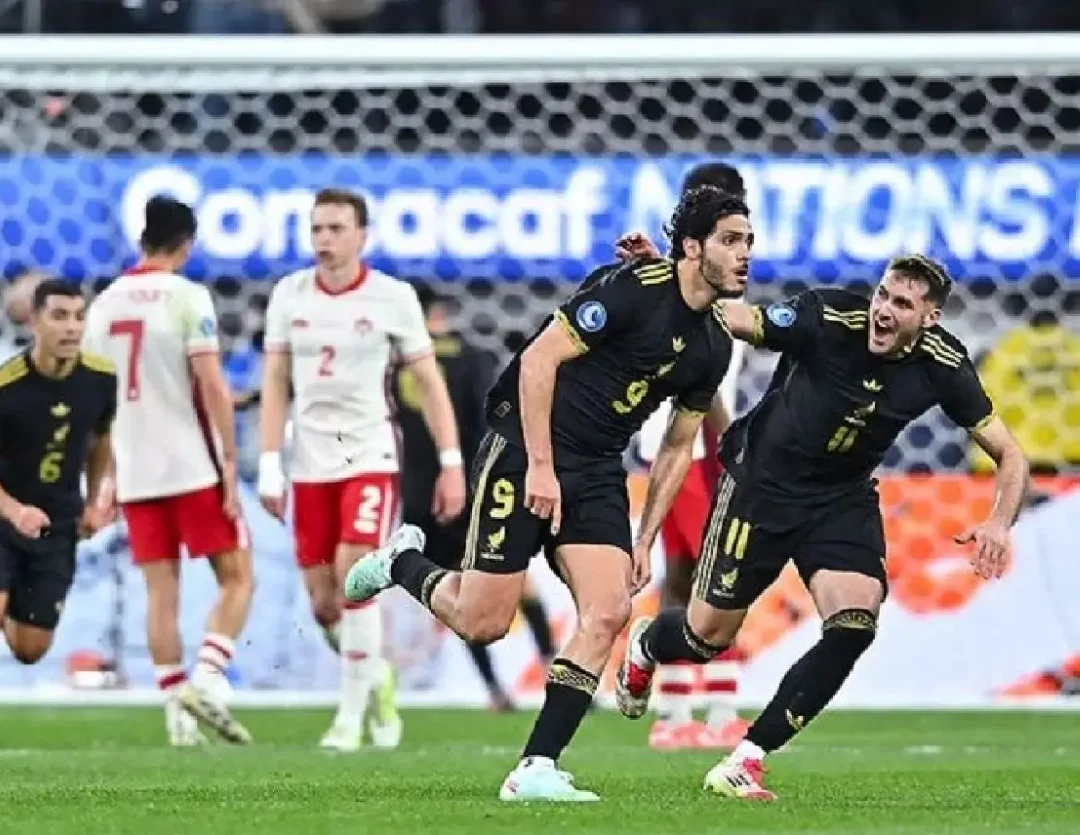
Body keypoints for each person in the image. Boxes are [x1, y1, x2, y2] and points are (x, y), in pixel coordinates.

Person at [345, 185, 748, 801]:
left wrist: (644, 539)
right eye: (730, 240)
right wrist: (538, 467)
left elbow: (677, 446)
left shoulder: (714, 343)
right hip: (523, 449)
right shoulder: (630, 289)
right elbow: (538, 362)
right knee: (483, 623)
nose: (745, 254)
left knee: (610, 609)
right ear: (693, 248)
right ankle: (402, 561)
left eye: (747, 241)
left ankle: (535, 766)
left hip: (595, 469)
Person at [613, 254, 1032, 800]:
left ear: (929, 319)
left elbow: (1010, 455)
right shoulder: (829, 316)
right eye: (883, 294)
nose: (883, 310)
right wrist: (676, 283)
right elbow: (744, 320)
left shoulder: (944, 363)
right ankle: (648, 643)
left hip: (840, 498)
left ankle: (747, 758)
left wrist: (1000, 522)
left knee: (855, 621)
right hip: (760, 488)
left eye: (902, 304)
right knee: (704, 637)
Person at [257, 188, 467, 752]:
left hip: (368, 454)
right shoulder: (288, 295)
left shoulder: (391, 297)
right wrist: (270, 463)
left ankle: (349, 718)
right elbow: (275, 382)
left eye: (336, 229)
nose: (325, 240)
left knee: (356, 575)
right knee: (324, 603)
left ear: (361, 236)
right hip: (309, 460)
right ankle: (376, 677)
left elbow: (429, 382)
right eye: (317, 229)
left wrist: (452, 463)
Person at [83, 197, 255, 747]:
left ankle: (177, 717)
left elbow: (97, 405)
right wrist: (230, 463)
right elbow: (210, 385)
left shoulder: (104, 304)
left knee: (162, 593)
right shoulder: (187, 297)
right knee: (238, 576)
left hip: (135, 470)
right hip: (190, 462)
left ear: (141, 240)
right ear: (187, 242)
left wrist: (104, 481)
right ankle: (206, 678)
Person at [0, 280, 117, 753]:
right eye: (59, 316)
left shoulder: (101, 378)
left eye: (77, 317)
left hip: (58, 522)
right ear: (35, 321)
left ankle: (1, 598)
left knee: (30, 649)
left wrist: (95, 499)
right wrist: (13, 511)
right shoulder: (2, 388)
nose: (71, 327)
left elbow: (101, 440)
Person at [626, 162, 750, 750]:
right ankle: (703, 711)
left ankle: (682, 712)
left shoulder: (730, 279)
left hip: (700, 439)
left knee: (692, 573)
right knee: (712, 571)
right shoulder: (684, 280)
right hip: (686, 442)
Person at [390, 283, 556, 711]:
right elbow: (494, 422)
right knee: (519, 584)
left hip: (419, 498)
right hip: (475, 487)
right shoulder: (471, 358)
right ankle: (557, 674)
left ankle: (495, 691)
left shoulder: (391, 367)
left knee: (460, 596)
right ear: (439, 315)